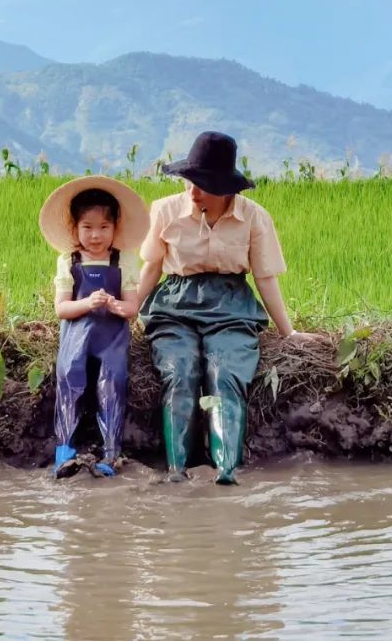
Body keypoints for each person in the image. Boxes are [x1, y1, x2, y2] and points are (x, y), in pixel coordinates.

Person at [137, 132, 316, 485]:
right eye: (190, 181)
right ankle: (177, 469)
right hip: (174, 304)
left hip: (231, 306)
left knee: (225, 374)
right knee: (181, 371)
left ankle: (226, 470)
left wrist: (289, 332)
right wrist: (129, 311)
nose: (193, 190)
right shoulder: (165, 211)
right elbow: (152, 268)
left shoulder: (254, 217)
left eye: (203, 184)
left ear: (225, 188)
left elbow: (265, 278)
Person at [39, 176, 149, 478]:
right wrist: (88, 303)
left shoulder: (123, 260)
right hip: (76, 334)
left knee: (112, 383)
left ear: (115, 228)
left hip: (111, 336)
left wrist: (114, 305)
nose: (96, 235)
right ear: (75, 228)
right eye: (87, 227)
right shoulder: (69, 260)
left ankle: (111, 453)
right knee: (69, 378)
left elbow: (131, 308)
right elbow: (62, 308)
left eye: (104, 227)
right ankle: (65, 450)